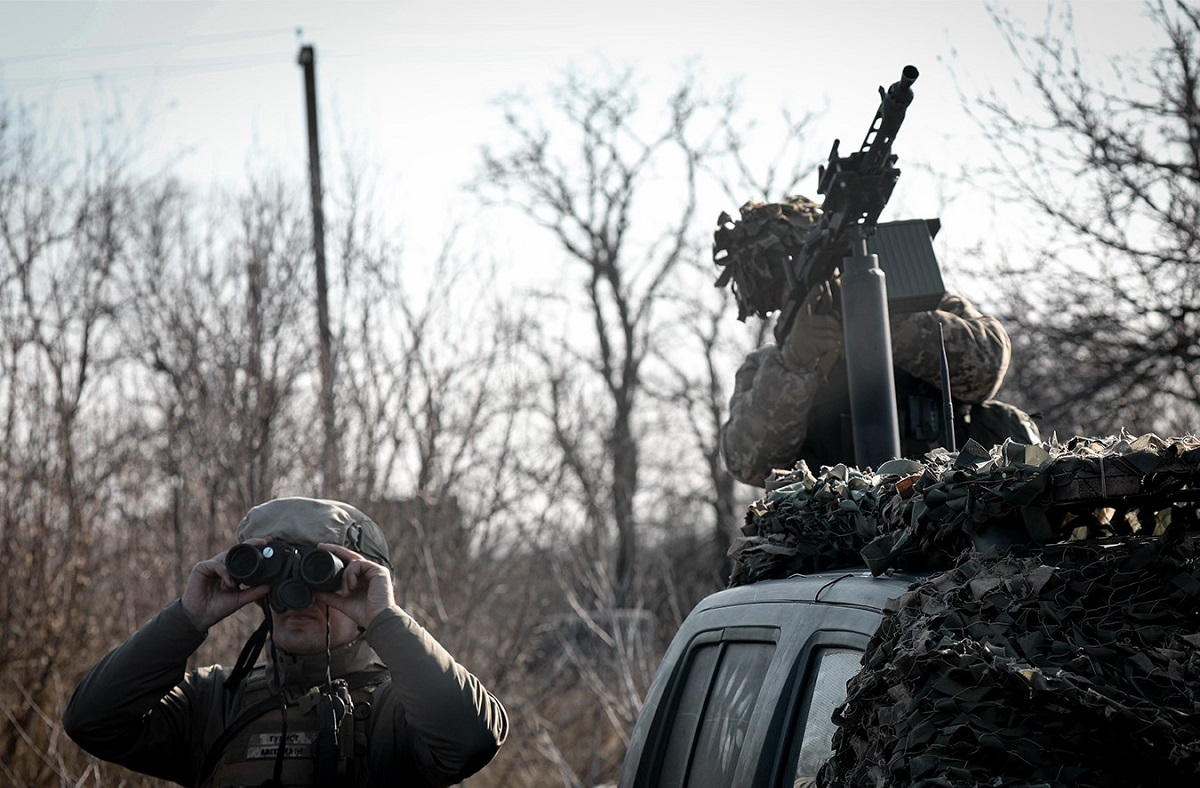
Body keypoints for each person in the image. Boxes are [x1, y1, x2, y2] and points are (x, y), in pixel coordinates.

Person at [64, 497, 508, 787]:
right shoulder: (214, 701)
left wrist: (384, 619)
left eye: (321, 577)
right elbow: (93, 720)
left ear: (364, 585)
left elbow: (471, 738)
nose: (297, 598)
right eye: (276, 574)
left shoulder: (396, 709)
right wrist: (188, 617)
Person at [715, 196, 1040, 487]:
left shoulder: (920, 308)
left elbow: (987, 369)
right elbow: (749, 465)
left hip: (955, 512)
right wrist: (795, 367)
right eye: (786, 285)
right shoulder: (767, 368)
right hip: (847, 535)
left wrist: (881, 317)